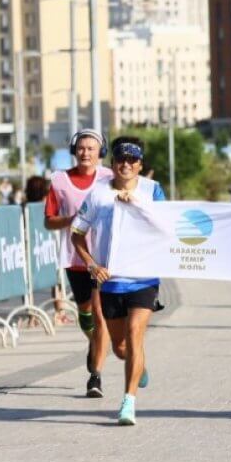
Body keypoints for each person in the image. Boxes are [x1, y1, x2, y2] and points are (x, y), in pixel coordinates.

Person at [70, 136, 164, 426]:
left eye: (132, 160)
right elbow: (77, 234)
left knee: (136, 333)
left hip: (143, 278)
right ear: (112, 164)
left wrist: (136, 204)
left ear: (140, 165)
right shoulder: (98, 194)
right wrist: (91, 264)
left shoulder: (152, 190)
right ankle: (139, 368)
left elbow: (166, 225)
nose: (126, 164)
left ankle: (128, 402)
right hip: (110, 280)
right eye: (121, 159)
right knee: (121, 347)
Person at [45, 129, 114, 398]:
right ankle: (94, 344)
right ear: (74, 150)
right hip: (74, 258)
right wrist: (72, 220)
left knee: (100, 315)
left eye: (91, 148)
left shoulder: (109, 178)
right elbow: (48, 220)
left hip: (103, 257)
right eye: (82, 148)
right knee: (85, 314)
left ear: (100, 153)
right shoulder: (60, 181)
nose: (86, 153)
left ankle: (95, 377)